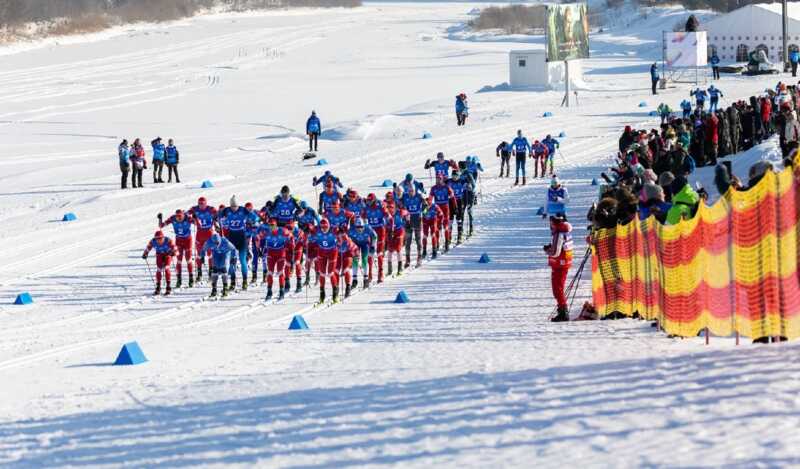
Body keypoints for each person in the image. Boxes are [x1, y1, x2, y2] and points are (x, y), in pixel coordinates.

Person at [544, 214, 573, 322]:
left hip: (559, 264)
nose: (550, 226)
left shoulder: (559, 233)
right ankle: (562, 310)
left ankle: (563, 312)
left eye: (551, 223)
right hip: (563, 263)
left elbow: (556, 252)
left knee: (557, 289)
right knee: (558, 288)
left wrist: (547, 250)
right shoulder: (565, 231)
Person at [221, 196, 254, 291]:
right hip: (232, 238)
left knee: (243, 260)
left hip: (241, 238)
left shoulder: (243, 210)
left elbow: (253, 216)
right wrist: (218, 218)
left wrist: (253, 221)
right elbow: (218, 215)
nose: (233, 208)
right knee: (231, 261)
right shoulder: (227, 210)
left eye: (235, 206)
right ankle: (233, 281)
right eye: (232, 206)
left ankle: (244, 281)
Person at [159, 209, 194, 288]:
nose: (179, 218)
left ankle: (191, 278)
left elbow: (198, 224)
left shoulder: (187, 218)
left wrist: (195, 218)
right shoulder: (173, 218)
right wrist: (160, 219)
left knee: (188, 259)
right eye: (177, 217)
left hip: (187, 240)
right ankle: (179, 280)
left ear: (183, 215)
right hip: (178, 240)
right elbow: (161, 226)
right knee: (179, 260)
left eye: (180, 217)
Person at [260, 218, 291, 300]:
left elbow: (290, 237)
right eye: (270, 225)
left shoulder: (282, 231)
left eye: (273, 225)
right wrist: (261, 250)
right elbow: (260, 240)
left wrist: (290, 249)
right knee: (270, 272)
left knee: (280, 272)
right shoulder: (266, 232)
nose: (271, 227)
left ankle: (281, 291)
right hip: (271, 254)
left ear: (276, 225)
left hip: (281, 253)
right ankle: (269, 291)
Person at [188, 197, 217, 283]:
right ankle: (199, 274)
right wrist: (192, 217)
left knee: (210, 253)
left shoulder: (210, 209)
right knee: (199, 254)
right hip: (199, 233)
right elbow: (185, 214)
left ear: (206, 203)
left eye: (203, 204)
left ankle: (211, 272)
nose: (201, 206)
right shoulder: (195, 209)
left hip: (209, 233)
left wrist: (215, 218)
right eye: (199, 204)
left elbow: (217, 213)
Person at [363, 193, 389, 283]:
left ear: (374, 200)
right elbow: (362, 217)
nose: (369, 202)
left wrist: (387, 220)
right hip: (370, 230)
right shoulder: (366, 207)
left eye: (370, 200)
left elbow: (388, 215)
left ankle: (380, 272)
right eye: (368, 200)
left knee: (379, 252)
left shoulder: (380, 205)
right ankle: (369, 273)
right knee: (370, 253)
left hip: (380, 230)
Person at [202, 233, 237, 298]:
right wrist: (202, 256)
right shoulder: (209, 241)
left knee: (223, 268)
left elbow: (233, 249)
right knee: (215, 269)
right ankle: (214, 289)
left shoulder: (225, 242)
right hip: (216, 254)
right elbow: (203, 249)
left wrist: (234, 258)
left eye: (217, 243)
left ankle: (225, 288)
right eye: (215, 243)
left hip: (225, 253)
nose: (216, 244)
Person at [142, 230, 176, 296]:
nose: (159, 240)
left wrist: (173, 253)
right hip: (159, 255)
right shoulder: (153, 241)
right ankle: (158, 287)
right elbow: (148, 247)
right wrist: (145, 254)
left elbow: (176, 249)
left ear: (163, 237)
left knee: (166, 268)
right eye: (157, 239)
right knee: (159, 269)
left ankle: (168, 287)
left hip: (167, 255)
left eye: (160, 239)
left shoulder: (168, 240)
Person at [314, 217, 338, 303]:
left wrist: (343, 229)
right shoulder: (317, 230)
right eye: (322, 227)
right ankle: (322, 294)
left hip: (332, 252)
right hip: (321, 252)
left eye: (325, 227)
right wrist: (307, 229)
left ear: (329, 226)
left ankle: (335, 294)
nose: (323, 229)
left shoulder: (333, 229)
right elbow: (309, 229)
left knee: (331, 273)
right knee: (322, 273)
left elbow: (343, 232)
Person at [348, 218, 376, 290]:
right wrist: (350, 247)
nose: (360, 229)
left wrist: (373, 246)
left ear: (364, 226)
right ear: (355, 226)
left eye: (361, 227)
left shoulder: (368, 228)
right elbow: (347, 239)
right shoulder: (351, 230)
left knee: (364, 260)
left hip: (365, 244)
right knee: (355, 260)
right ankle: (354, 280)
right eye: (358, 227)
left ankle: (365, 279)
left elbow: (375, 236)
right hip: (356, 244)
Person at [430, 174, 455, 252]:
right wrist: (427, 207)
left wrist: (455, 206)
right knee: (436, 227)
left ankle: (447, 243)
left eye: (439, 179)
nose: (438, 180)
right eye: (437, 179)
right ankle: (437, 243)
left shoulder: (446, 187)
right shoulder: (433, 188)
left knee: (446, 226)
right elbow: (430, 199)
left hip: (445, 208)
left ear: (442, 179)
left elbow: (452, 196)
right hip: (437, 208)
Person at [401, 184, 424, 268]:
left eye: (412, 191)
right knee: (408, 241)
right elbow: (399, 203)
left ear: (415, 190)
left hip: (417, 219)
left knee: (418, 240)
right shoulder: (405, 196)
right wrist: (404, 213)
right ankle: (407, 260)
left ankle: (419, 258)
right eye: (409, 191)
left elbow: (426, 204)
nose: (411, 193)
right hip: (408, 221)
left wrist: (423, 213)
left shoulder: (419, 196)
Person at [336, 229, 358, 299]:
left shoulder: (347, 240)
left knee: (346, 270)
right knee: (335, 270)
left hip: (348, 255)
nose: (340, 235)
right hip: (339, 255)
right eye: (338, 234)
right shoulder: (335, 239)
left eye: (341, 233)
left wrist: (356, 256)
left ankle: (348, 287)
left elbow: (354, 249)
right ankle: (336, 288)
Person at [386, 203, 406, 276]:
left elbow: (406, 213)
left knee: (398, 249)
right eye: (388, 208)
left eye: (391, 207)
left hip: (399, 232)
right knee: (390, 251)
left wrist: (407, 220)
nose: (390, 209)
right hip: (390, 232)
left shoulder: (399, 212)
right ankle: (389, 269)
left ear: (394, 208)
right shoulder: (387, 215)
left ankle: (400, 268)